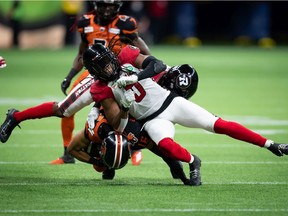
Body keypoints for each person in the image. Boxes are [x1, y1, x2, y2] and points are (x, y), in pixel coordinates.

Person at [82, 44, 288, 186]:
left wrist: (136, 76)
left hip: (169, 102)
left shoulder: (126, 57)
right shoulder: (101, 89)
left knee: (218, 125)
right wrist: (125, 108)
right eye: (102, 66)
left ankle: (272, 145)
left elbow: (158, 65)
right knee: (165, 146)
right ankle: (193, 161)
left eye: (108, 61)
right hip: (150, 120)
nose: (109, 67)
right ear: (95, 71)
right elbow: (119, 127)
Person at [0, 44, 190, 179]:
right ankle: (16, 117)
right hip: (102, 88)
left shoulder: (126, 52)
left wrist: (143, 74)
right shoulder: (97, 84)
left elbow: (152, 60)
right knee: (62, 110)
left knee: (144, 127)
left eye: (110, 61)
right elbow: (108, 102)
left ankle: (170, 161)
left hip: (124, 87)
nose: (110, 66)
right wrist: (95, 106)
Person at [56, 0, 150, 165]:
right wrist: (69, 75)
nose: (107, 10)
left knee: (129, 109)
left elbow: (144, 50)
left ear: (117, 7)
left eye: (111, 6)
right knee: (66, 108)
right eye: (103, 5)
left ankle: (134, 148)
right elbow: (82, 53)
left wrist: (149, 67)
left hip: (118, 73)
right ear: (96, 5)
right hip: (94, 73)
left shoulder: (124, 24)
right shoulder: (85, 22)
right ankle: (67, 152)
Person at [67, 105, 191, 184]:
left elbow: (159, 150)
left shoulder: (137, 136)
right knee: (99, 167)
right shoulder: (96, 129)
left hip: (139, 112)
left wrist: (176, 166)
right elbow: (72, 149)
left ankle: (110, 164)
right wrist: (97, 162)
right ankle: (107, 166)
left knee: (166, 153)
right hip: (111, 118)